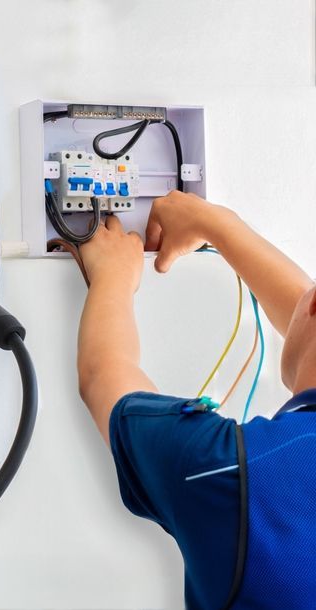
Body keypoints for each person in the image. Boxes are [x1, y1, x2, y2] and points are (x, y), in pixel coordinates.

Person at [76, 190, 316, 609]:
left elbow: (104, 376)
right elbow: (303, 311)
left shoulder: (226, 470)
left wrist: (113, 274)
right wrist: (217, 224)